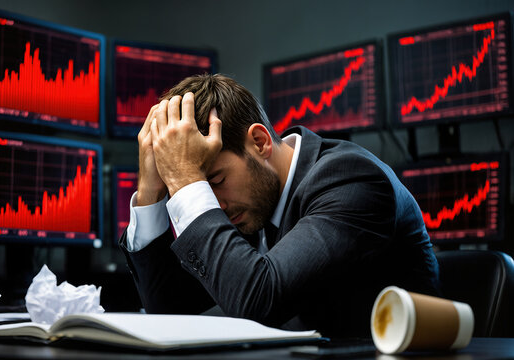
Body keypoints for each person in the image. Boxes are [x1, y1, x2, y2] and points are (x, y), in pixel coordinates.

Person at [119, 74, 439, 337]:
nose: (212, 202)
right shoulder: (250, 204)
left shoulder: (351, 180)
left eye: (215, 180)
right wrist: (151, 193)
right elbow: (170, 311)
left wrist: (189, 181)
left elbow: (258, 299)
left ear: (259, 143)